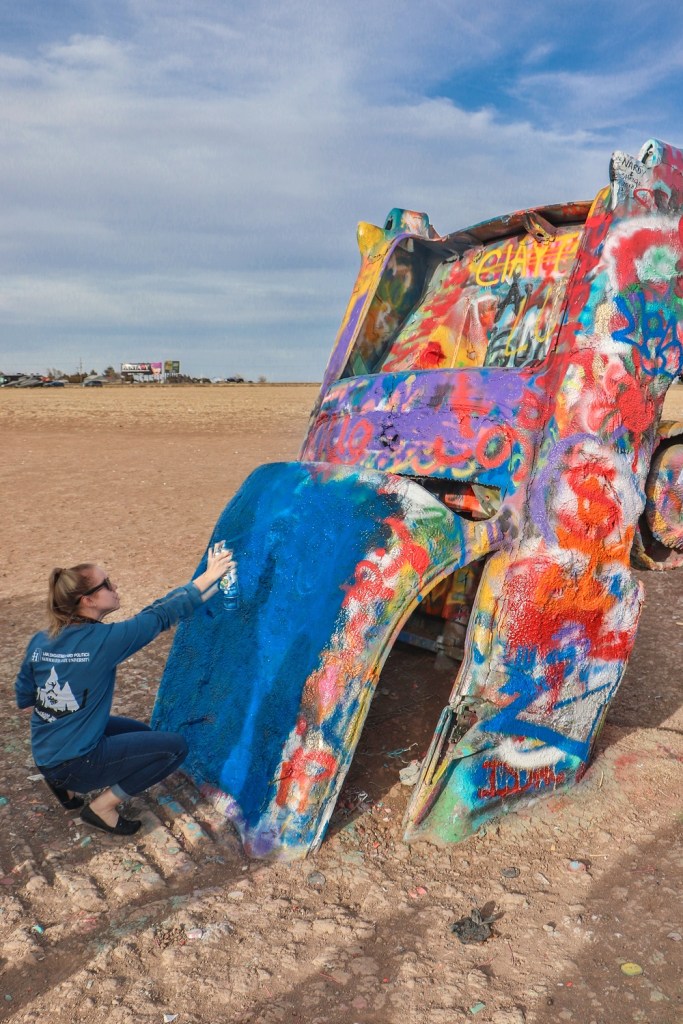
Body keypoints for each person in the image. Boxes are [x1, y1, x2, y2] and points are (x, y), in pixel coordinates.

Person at [15, 544, 234, 836]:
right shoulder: (103, 641)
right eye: (107, 584)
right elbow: (160, 616)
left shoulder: (42, 639)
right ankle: (101, 807)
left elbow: (24, 693)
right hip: (77, 762)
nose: (114, 586)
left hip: (46, 754)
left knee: (146, 738)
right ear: (88, 600)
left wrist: (209, 583)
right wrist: (210, 577)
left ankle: (62, 789)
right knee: (173, 748)